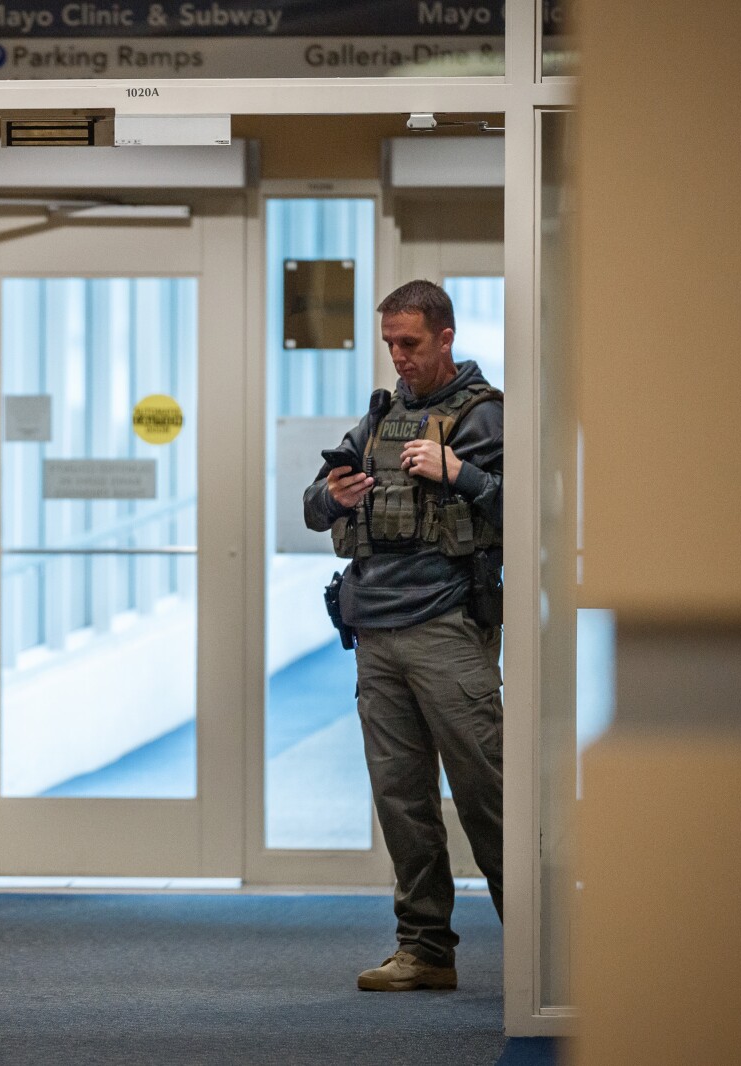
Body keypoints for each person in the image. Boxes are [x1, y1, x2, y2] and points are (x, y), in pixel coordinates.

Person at [302, 279, 504, 993]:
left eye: (409, 344)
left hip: (446, 629)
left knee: (486, 792)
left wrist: (461, 474)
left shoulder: (486, 416)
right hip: (375, 633)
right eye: (389, 343)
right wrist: (334, 495)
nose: (398, 356)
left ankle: (544, 953)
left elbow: (530, 512)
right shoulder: (378, 418)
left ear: (445, 338)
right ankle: (424, 950)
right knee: (400, 797)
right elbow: (311, 505)